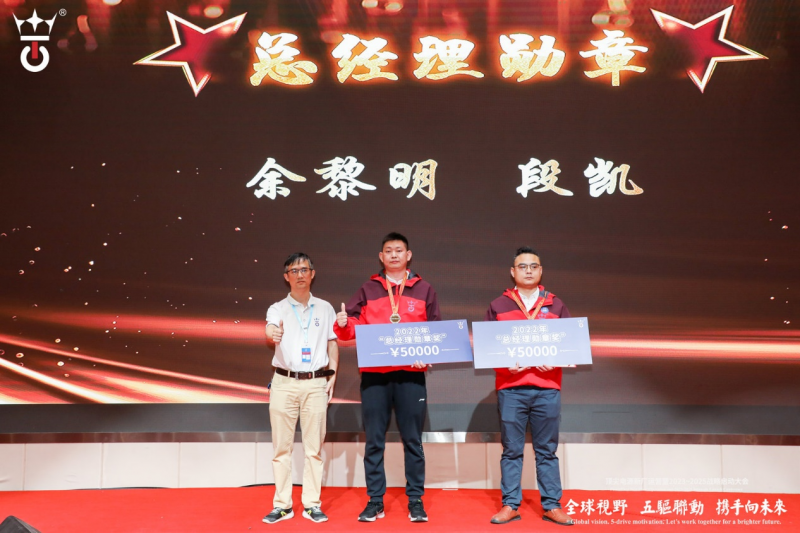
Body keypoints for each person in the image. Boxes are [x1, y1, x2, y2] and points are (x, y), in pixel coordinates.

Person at [334, 232, 440, 523]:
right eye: (388, 251)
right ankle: (375, 501)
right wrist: (342, 323)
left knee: (413, 441)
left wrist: (427, 354)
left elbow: (435, 331)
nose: (394, 255)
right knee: (374, 441)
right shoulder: (368, 289)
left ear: (408, 255)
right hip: (375, 377)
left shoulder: (424, 289)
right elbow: (351, 327)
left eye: (399, 250)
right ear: (381, 257)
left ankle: (415, 500)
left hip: (411, 375)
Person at [486, 247, 574, 526]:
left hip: (547, 388)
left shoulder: (556, 305)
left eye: (533, 266)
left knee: (546, 450)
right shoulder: (498, 305)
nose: (528, 271)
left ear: (540, 271)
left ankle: (552, 505)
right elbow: (488, 347)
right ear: (513, 272)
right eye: (522, 266)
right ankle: (510, 504)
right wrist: (505, 366)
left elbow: (570, 344)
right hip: (511, 389)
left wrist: (556, 360)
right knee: (511, 450)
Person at [262, 253, 339, 524]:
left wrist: (333, 375)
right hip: (284, 383)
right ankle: (282, 505)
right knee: (281, 449)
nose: (300, 274)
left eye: (304, 269)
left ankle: (312, 504)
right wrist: (273, 333)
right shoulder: (277, 308)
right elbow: (270, 329)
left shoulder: (326, 308)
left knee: (313, 449)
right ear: (287, 277)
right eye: (294, 271)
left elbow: (332, 343)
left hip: (316, 384)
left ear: (312, 273)